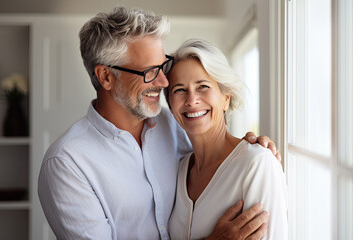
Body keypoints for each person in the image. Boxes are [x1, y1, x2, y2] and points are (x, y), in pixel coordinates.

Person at [38, 6, 280, 240]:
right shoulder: (67, 164)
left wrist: (249, 148)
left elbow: (218, 159)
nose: (164, 82)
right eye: (149, 71)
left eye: (162, 67)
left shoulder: (172, 125)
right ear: (106, 76)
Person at [165, 39, 288, 240]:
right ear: (170, 105)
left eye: (203, 86)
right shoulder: (178, 169)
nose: (191, 100)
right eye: (179, 90)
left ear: (226, 98)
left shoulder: (257, 164)